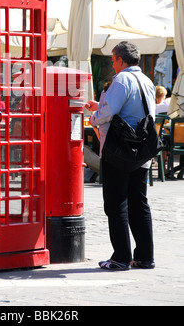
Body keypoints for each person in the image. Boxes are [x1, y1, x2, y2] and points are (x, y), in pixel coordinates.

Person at [85, 41, 155, 271]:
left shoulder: (122, 80)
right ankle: (144, 257)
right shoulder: (146, 80)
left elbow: (108, 113)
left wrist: (93, 117)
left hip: (119, 151)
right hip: (141, 152)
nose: (113, 64)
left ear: (121, 60)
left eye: (113, 60)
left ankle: (121, 257)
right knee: (139, 204)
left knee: (116, 204)